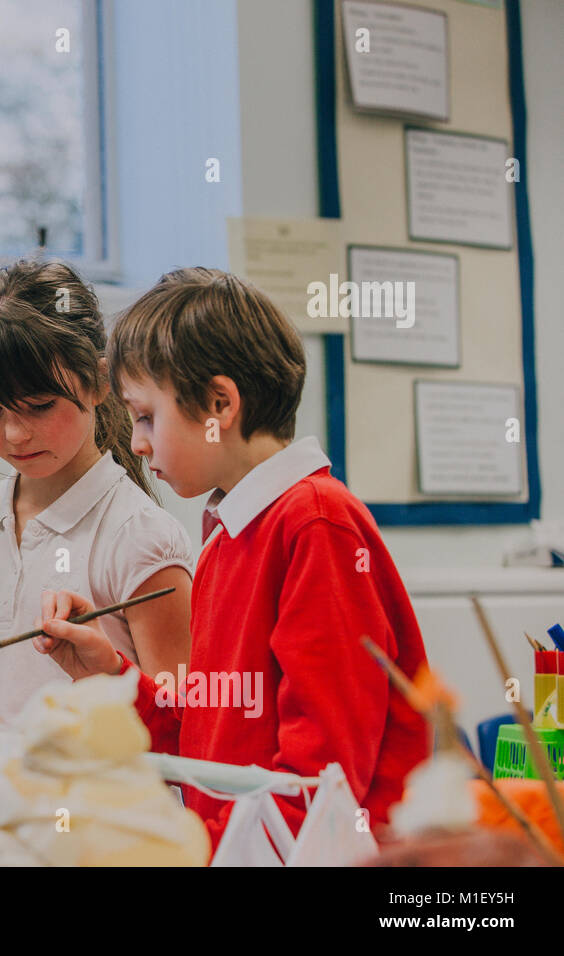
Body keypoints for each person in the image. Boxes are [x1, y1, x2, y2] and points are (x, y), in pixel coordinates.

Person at [34, 267, 430, 851]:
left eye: (145, 416)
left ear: (219, 405)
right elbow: (208, 729)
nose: (137, 442)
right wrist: (111, 675)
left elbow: (322, 778)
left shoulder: (316, 523)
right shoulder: (227, 534)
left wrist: (190, 850)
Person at [0, 259, 193, 770]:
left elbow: (188, 729)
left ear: (100, 382)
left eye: (38, 406)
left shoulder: (142, 538)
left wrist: (109, 678)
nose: (14, 434)